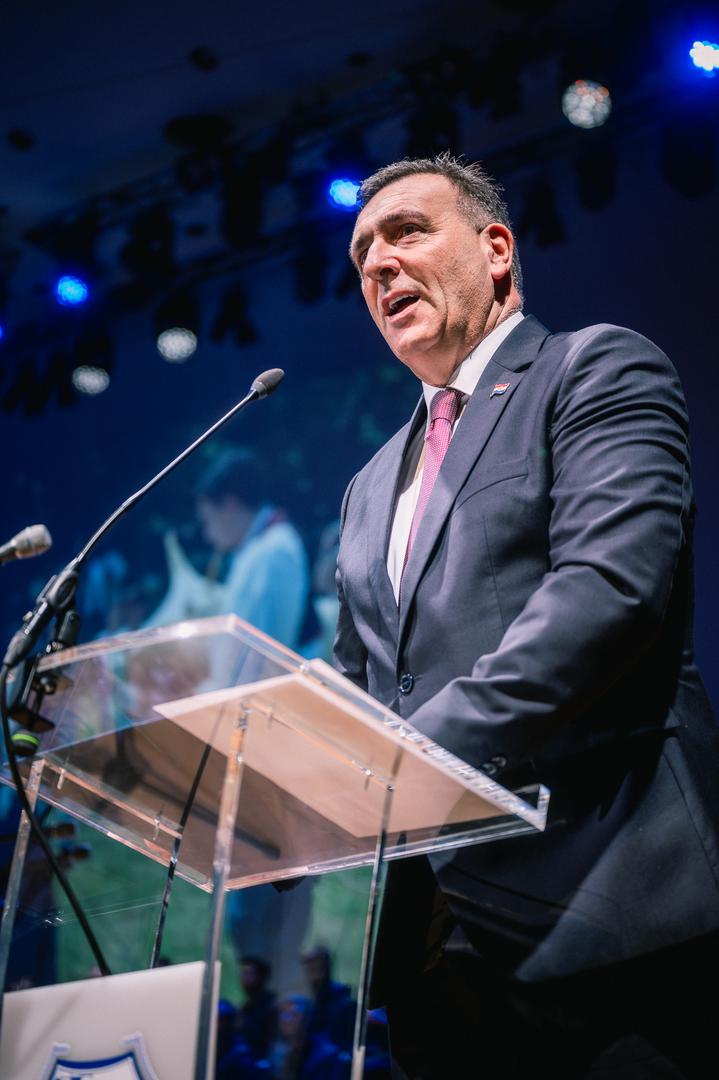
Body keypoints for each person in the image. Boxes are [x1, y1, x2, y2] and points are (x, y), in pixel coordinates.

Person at [334, 153, 719, 1078]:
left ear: (495, 249)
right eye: (362, 255)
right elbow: (363, 684)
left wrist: (412, 761)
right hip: (435, 952)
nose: (378, 263)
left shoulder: (594, 369)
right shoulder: (367, 484)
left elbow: (606, 593)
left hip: (606, 907)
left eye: (406, 232)